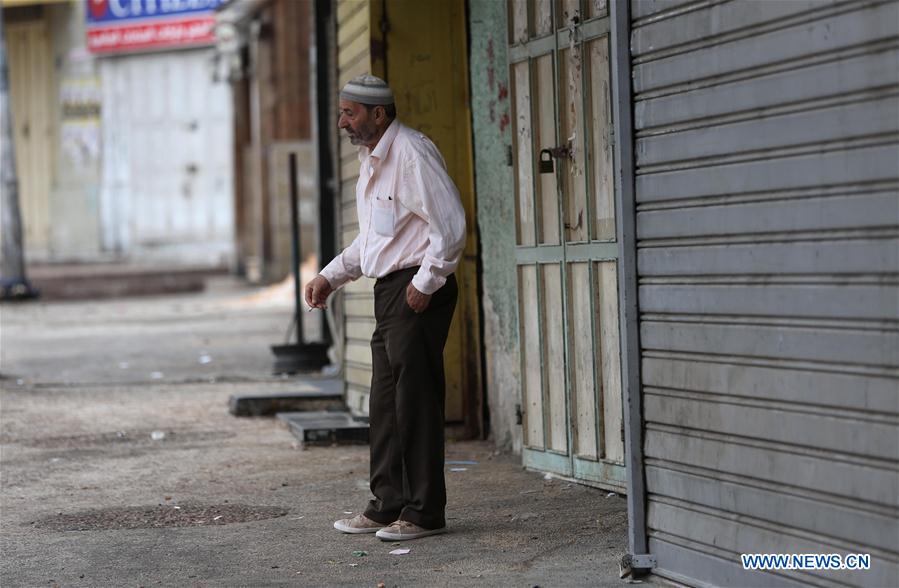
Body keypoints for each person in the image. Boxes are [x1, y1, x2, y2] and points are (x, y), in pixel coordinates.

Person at [304, 74, 466, 541]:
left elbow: (451, 225)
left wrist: (427, 281)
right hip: (391, 292)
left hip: (416, 291)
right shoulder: (372, 162)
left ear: (379, 114)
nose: (342, 121)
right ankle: (387, 504)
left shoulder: (411, 153)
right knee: (387, 404)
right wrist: (330, 276)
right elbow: (374, 240)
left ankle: (424, 513)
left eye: (349, 112)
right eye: (342, 112)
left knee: (415, 403)